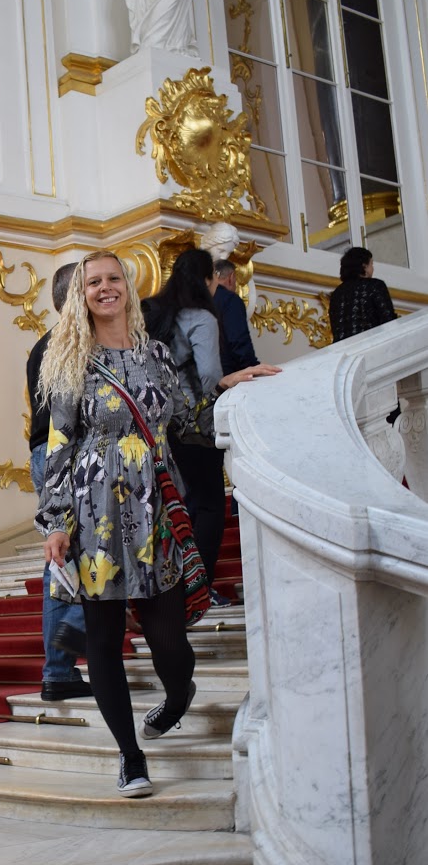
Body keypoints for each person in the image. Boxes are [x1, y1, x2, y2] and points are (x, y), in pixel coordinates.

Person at [37, 252, 275, 798]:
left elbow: (187, 420)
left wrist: (232, 385)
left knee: (169, 641)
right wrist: (55, 522)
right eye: (93, 282)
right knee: (103, 640)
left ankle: (177, 694)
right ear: (80, 296)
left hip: (156, 509)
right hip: (95, 516)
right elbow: (59, 446)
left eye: (113, 278)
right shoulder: (71, 362)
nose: (105, 288)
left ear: (128, 285)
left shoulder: (157, 355)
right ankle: (130, 755)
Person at [142, 248, 277, 603]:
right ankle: (198, 589)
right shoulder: (200, 317)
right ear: (207, 280)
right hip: (195, 423)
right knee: (210, 505)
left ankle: (174, 588)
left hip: (160, 423)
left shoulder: (156, 314)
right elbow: (209, 375)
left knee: (181, 504)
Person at [27, 265, 90, 702]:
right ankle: (69, 643)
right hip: (67, 450)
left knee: (62, 561)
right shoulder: (75, 341)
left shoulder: (42, 344)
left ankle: (59, 670)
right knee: (90, 551)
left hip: (43, 451)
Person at [328, 246, 397, 342]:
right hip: (371, 344)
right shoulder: (375, 285)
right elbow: (389, 320)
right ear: (364, 266)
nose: (373, 268)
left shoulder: (336, 294)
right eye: (371, 264)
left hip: (343, 349)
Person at [213, 257, 259, 376]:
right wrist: (253, 368)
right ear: (231, 277)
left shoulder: (197, 301)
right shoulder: (230, 300)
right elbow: (238, 340)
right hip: (228, 375)